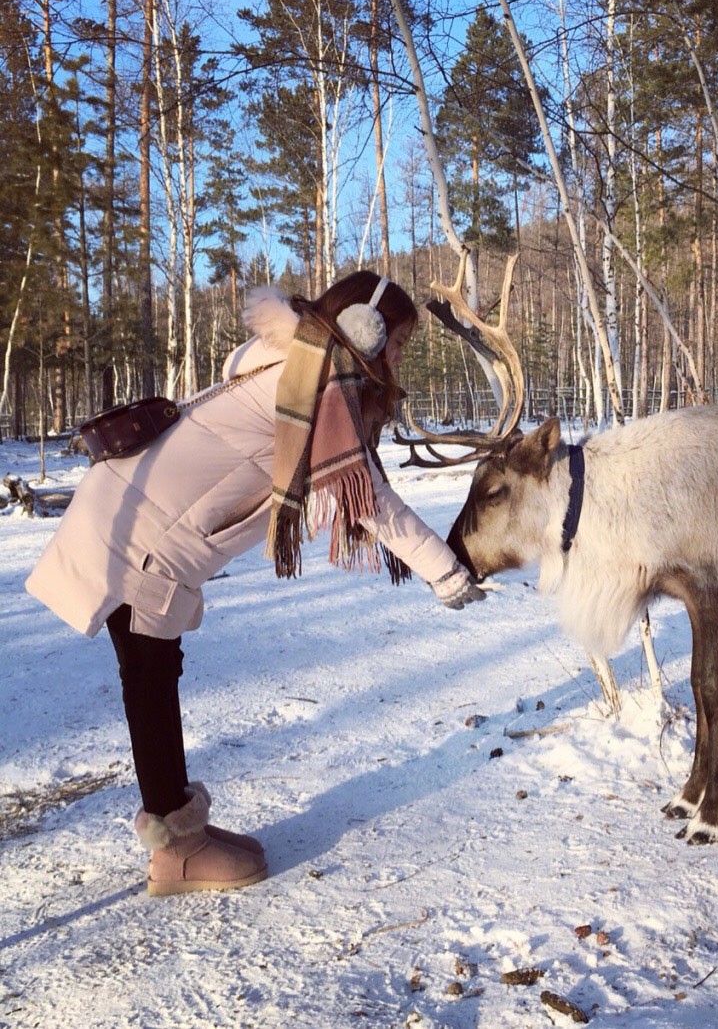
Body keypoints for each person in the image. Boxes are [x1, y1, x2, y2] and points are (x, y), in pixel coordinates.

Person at [25, 272, 485, 896]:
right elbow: (366, 496)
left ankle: (183, 835)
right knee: (150, 679)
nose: (399, 357)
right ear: (362, 330)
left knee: (156, 672)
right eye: (398, 342)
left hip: (137, 520)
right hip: (141, 539)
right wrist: (447, 573)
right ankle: (178, 853)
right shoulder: (308, 384)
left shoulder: (293, 358)